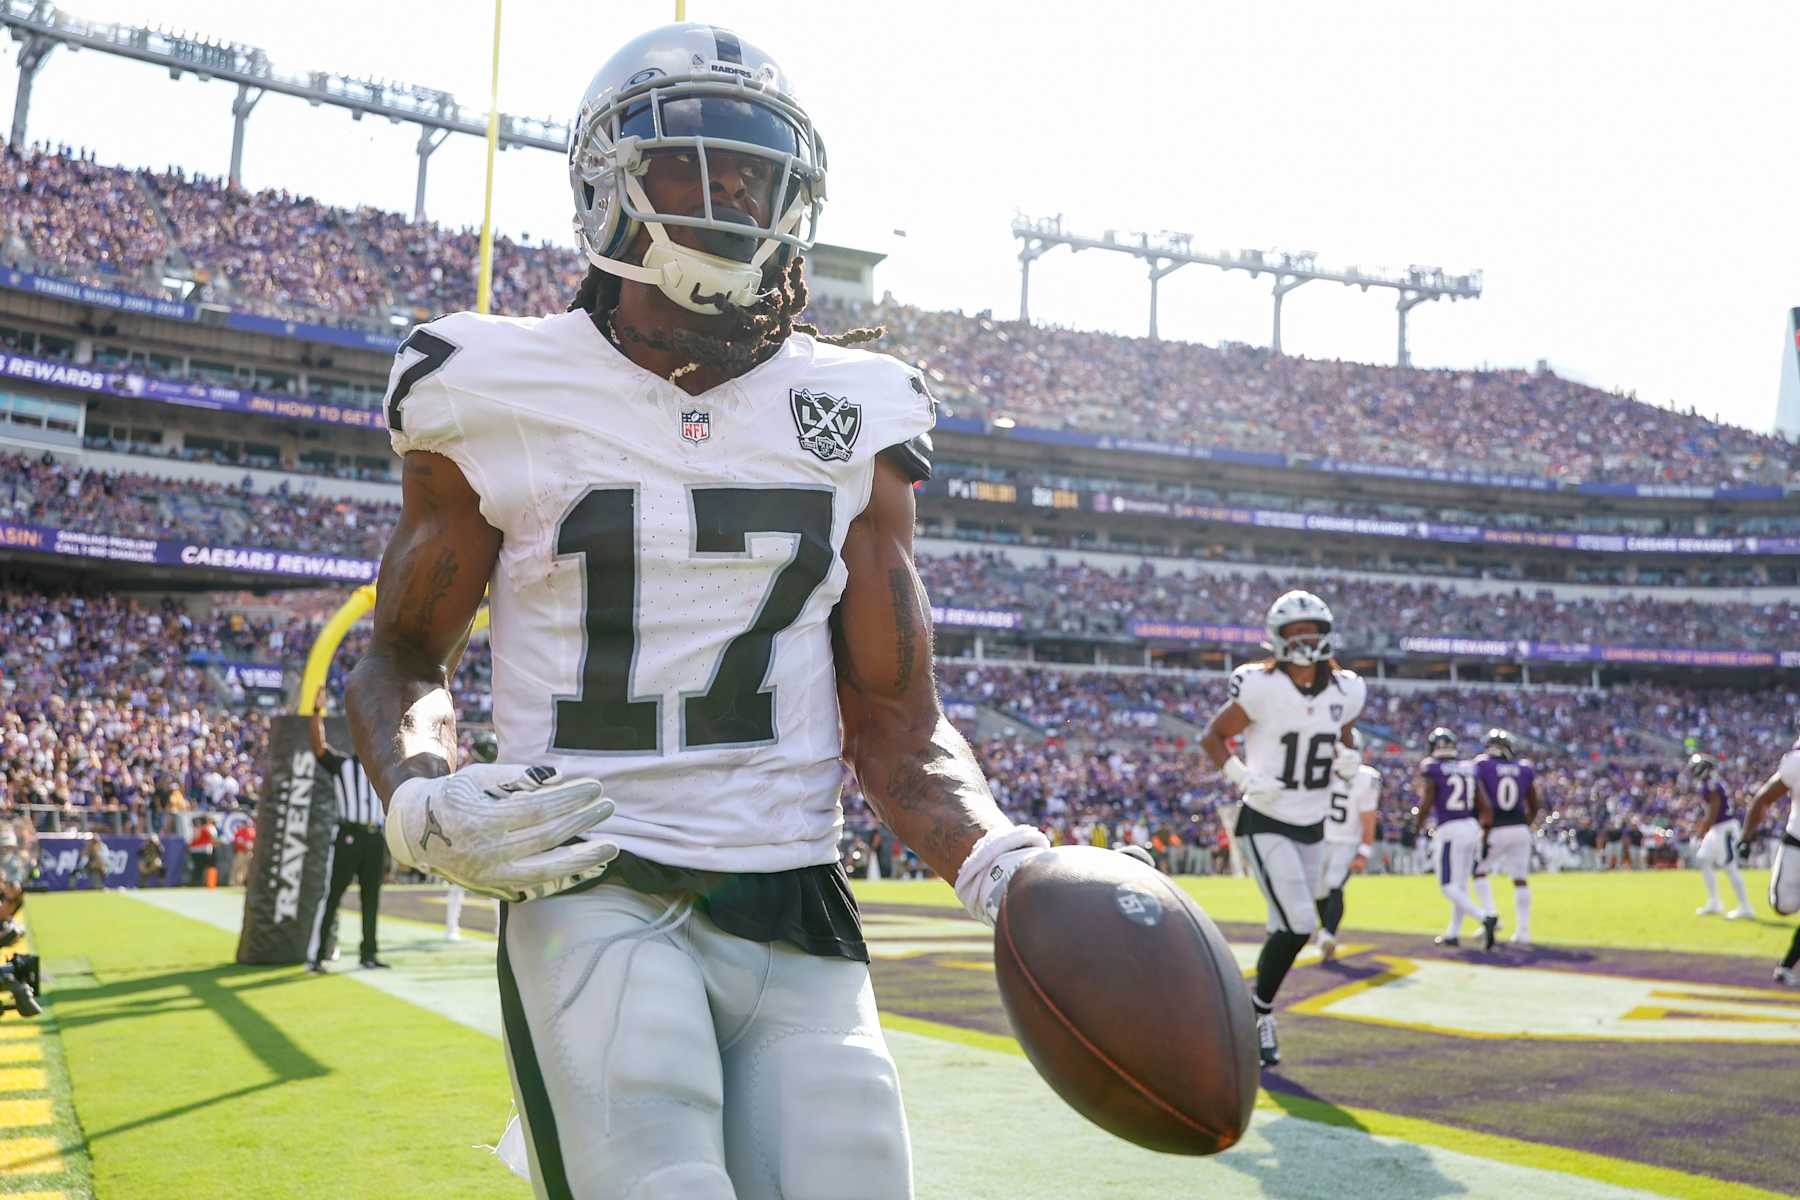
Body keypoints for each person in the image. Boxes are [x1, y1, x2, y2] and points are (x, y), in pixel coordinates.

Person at [343, 24, 1041, 1199]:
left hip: (798, 901)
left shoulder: (855, 407)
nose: (734, 198)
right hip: (590, 880)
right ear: (603, 187)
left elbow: (895, 715)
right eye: (692, 166)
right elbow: (404, 653)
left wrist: (1000, 861)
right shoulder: (492, 382)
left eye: (760, 174)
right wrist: (419, 798)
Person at [1201, 589, 1365, 1068]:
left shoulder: (1346, 689)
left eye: (1311, 629)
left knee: (1285, 921)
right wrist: (1241, 777)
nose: (1305, 639)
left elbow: (1344, 733)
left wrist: (1351, 755)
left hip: (1312, 822)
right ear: (1276, 638)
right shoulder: (1260, 686)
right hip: (1265, 819)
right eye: (1295, 632)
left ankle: (1252, 1010)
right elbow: (1212, 736)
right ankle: (1256, 1013)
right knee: (1298, 921)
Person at [309, 688, 388, 972]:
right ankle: (318, 955)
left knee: (372, 898)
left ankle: (369, 954)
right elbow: (318, 748)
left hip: (375, 837)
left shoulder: (384, 770)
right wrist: (317, 712)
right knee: (334, 896)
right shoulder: (343, 765)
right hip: (349, 836)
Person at [1415, 727, 1498, 950]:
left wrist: (1415, 828)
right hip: (1471, 827)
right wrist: (1485, 830)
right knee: (1460, 886)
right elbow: (1484, 805)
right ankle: (1453, 933)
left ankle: (1484, 917)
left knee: (1447, 886)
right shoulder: (1468, 767)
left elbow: (1427, 802)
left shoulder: (1433, 768)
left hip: (1450, 828)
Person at [1737, 723, 1800, 985]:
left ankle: (1786, 967)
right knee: (1783, 905)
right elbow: (1763, 800)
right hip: (1797, 843)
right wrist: (1746, 839)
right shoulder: (1796, 762)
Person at [1471, 729, 1540, 947]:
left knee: (1479, 871)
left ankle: (1491, 916)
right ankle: (1523, 931)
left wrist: (1482, 826)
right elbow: (1534, 803)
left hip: (1495, 828)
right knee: (1520, 880)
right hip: (1519, 827)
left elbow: (1477, 798)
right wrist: (1524, 824)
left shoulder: (1481, 765)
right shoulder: (1523, 767)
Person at [1315, 739, 1379, 960]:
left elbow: (1369, 818)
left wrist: (1363, 851)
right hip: (1321, 839)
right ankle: (1325, 931)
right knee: (1318, 889)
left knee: (1334, 885)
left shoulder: (1366, 778)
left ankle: (1329, 933)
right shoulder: (1324, 772)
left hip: (1347, 842)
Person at [444, 730, 499, 942]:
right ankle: (451, 927)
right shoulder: (468, 774)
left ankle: (452, 927)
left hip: (483, 832)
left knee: (492, 886)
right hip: (469, 832)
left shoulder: (485, 774)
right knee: (460, 886)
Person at [1688, 754, 1752, 919]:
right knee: (1704, 859)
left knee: (1730, 867)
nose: (1693, 771)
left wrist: (1701, 831)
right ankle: (1714, 902)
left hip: (1724, 828)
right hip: (1717, 829)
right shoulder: (1710, 784)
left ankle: (1746, 907)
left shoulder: (1712, 785)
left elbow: (1713, 812)